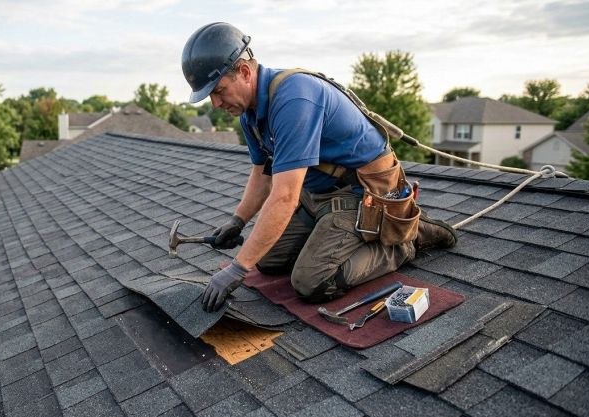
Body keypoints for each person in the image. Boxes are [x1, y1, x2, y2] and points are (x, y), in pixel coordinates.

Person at [181, 22, 458, 312]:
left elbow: (285, 196)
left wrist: (237, 269)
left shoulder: (294, 98)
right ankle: (336, 237)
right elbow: (262, 175)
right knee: (267, 260)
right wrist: (238, 221)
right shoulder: (249, 114)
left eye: (219, 91)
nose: (214, 103)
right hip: (318, 196)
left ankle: (405, 239)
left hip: (363, 192)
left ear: (245, 72)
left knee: (311, 281)